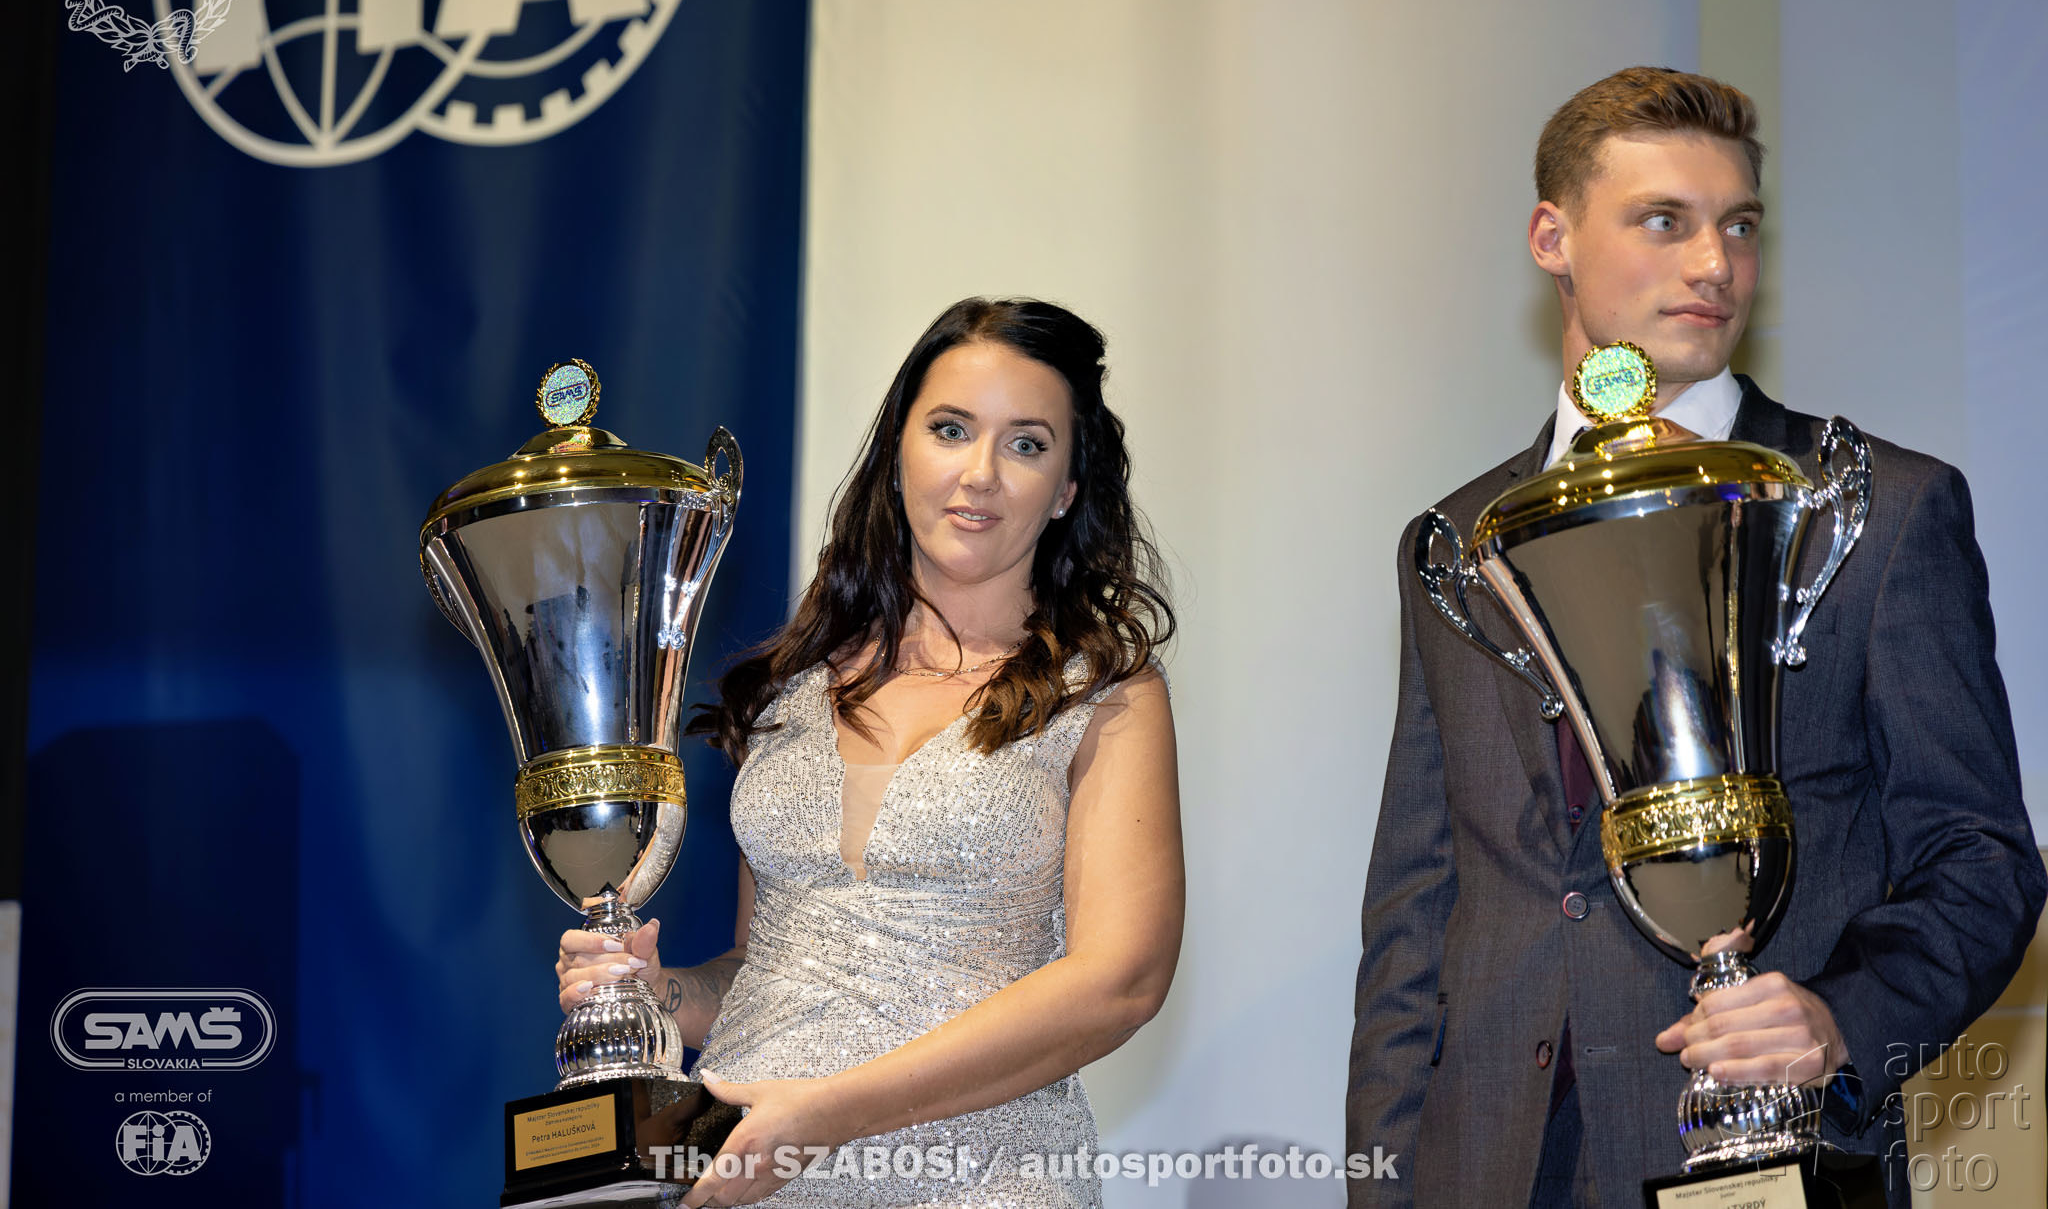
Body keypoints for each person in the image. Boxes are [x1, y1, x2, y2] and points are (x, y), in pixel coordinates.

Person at [1346, 67, 2045, 1208]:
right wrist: (1381, 1181)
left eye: (1739, 226)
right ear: (1551, 237)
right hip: (1483, 1163)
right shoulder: (1455, 540)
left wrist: (1840, 1022)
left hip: (1761, 1148)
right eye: (1663, 221)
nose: (1714, 264)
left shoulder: (1873, 509)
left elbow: (1980, 859)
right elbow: (1416, 909)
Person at [555, 297, 1183, 1207]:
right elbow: (766, 965)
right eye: (951, 429)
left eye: (1027, 443)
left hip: (981, 1181)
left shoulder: (1105, 693)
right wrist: (662, 992)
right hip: (754, 1177)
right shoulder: (790, 687)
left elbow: (1117, 982)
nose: (979, 473)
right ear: (898, 450)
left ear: (1067, 489)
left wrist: (828, 1113)